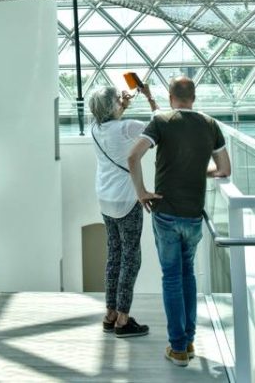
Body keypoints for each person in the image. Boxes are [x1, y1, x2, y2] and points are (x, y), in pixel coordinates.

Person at [128, 75, 231, 367]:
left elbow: (133, 158)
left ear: (171, 97)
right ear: (193, 98)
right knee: (188, 275)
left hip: (165, 212)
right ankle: (187, 342)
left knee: (172, 278)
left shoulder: (161, 121)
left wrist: (141, 193)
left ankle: (178, 349)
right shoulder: (210, 124)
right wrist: (199, 172)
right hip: (193, 213)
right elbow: (224, 169)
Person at [88, 82, 161, 338]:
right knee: (131, 258)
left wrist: (121, 104)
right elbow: (159, 125)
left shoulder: (94, 129)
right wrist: (150, 97)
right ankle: (123, 319)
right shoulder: (127, 127)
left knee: (114, 255)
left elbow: (111, 121)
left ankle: (109, 314)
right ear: (114, 105)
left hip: (105, 198)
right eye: (119, 100)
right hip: (127, 199)